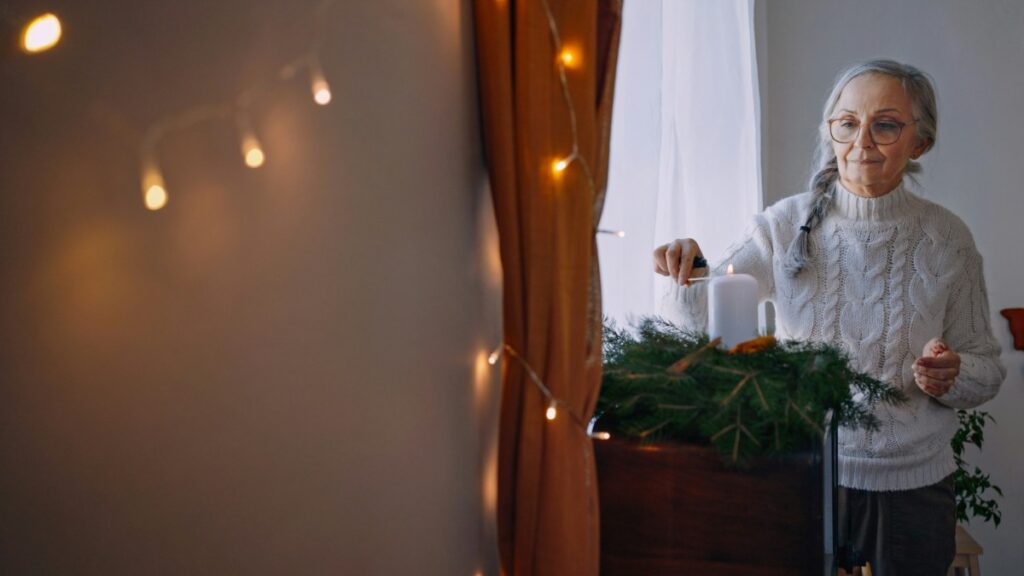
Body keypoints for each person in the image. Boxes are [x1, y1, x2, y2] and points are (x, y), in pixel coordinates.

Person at [653, 59, 1005, 576]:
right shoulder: (783, 226)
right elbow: (696, 325)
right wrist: (687, 269)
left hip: (914, 490)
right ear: (831, 131)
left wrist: (953, 375)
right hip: (803, 476)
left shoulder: (947, 239)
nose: (862, 141)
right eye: (847, 123)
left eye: (885, 125)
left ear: (919, 144)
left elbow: (986, 370)